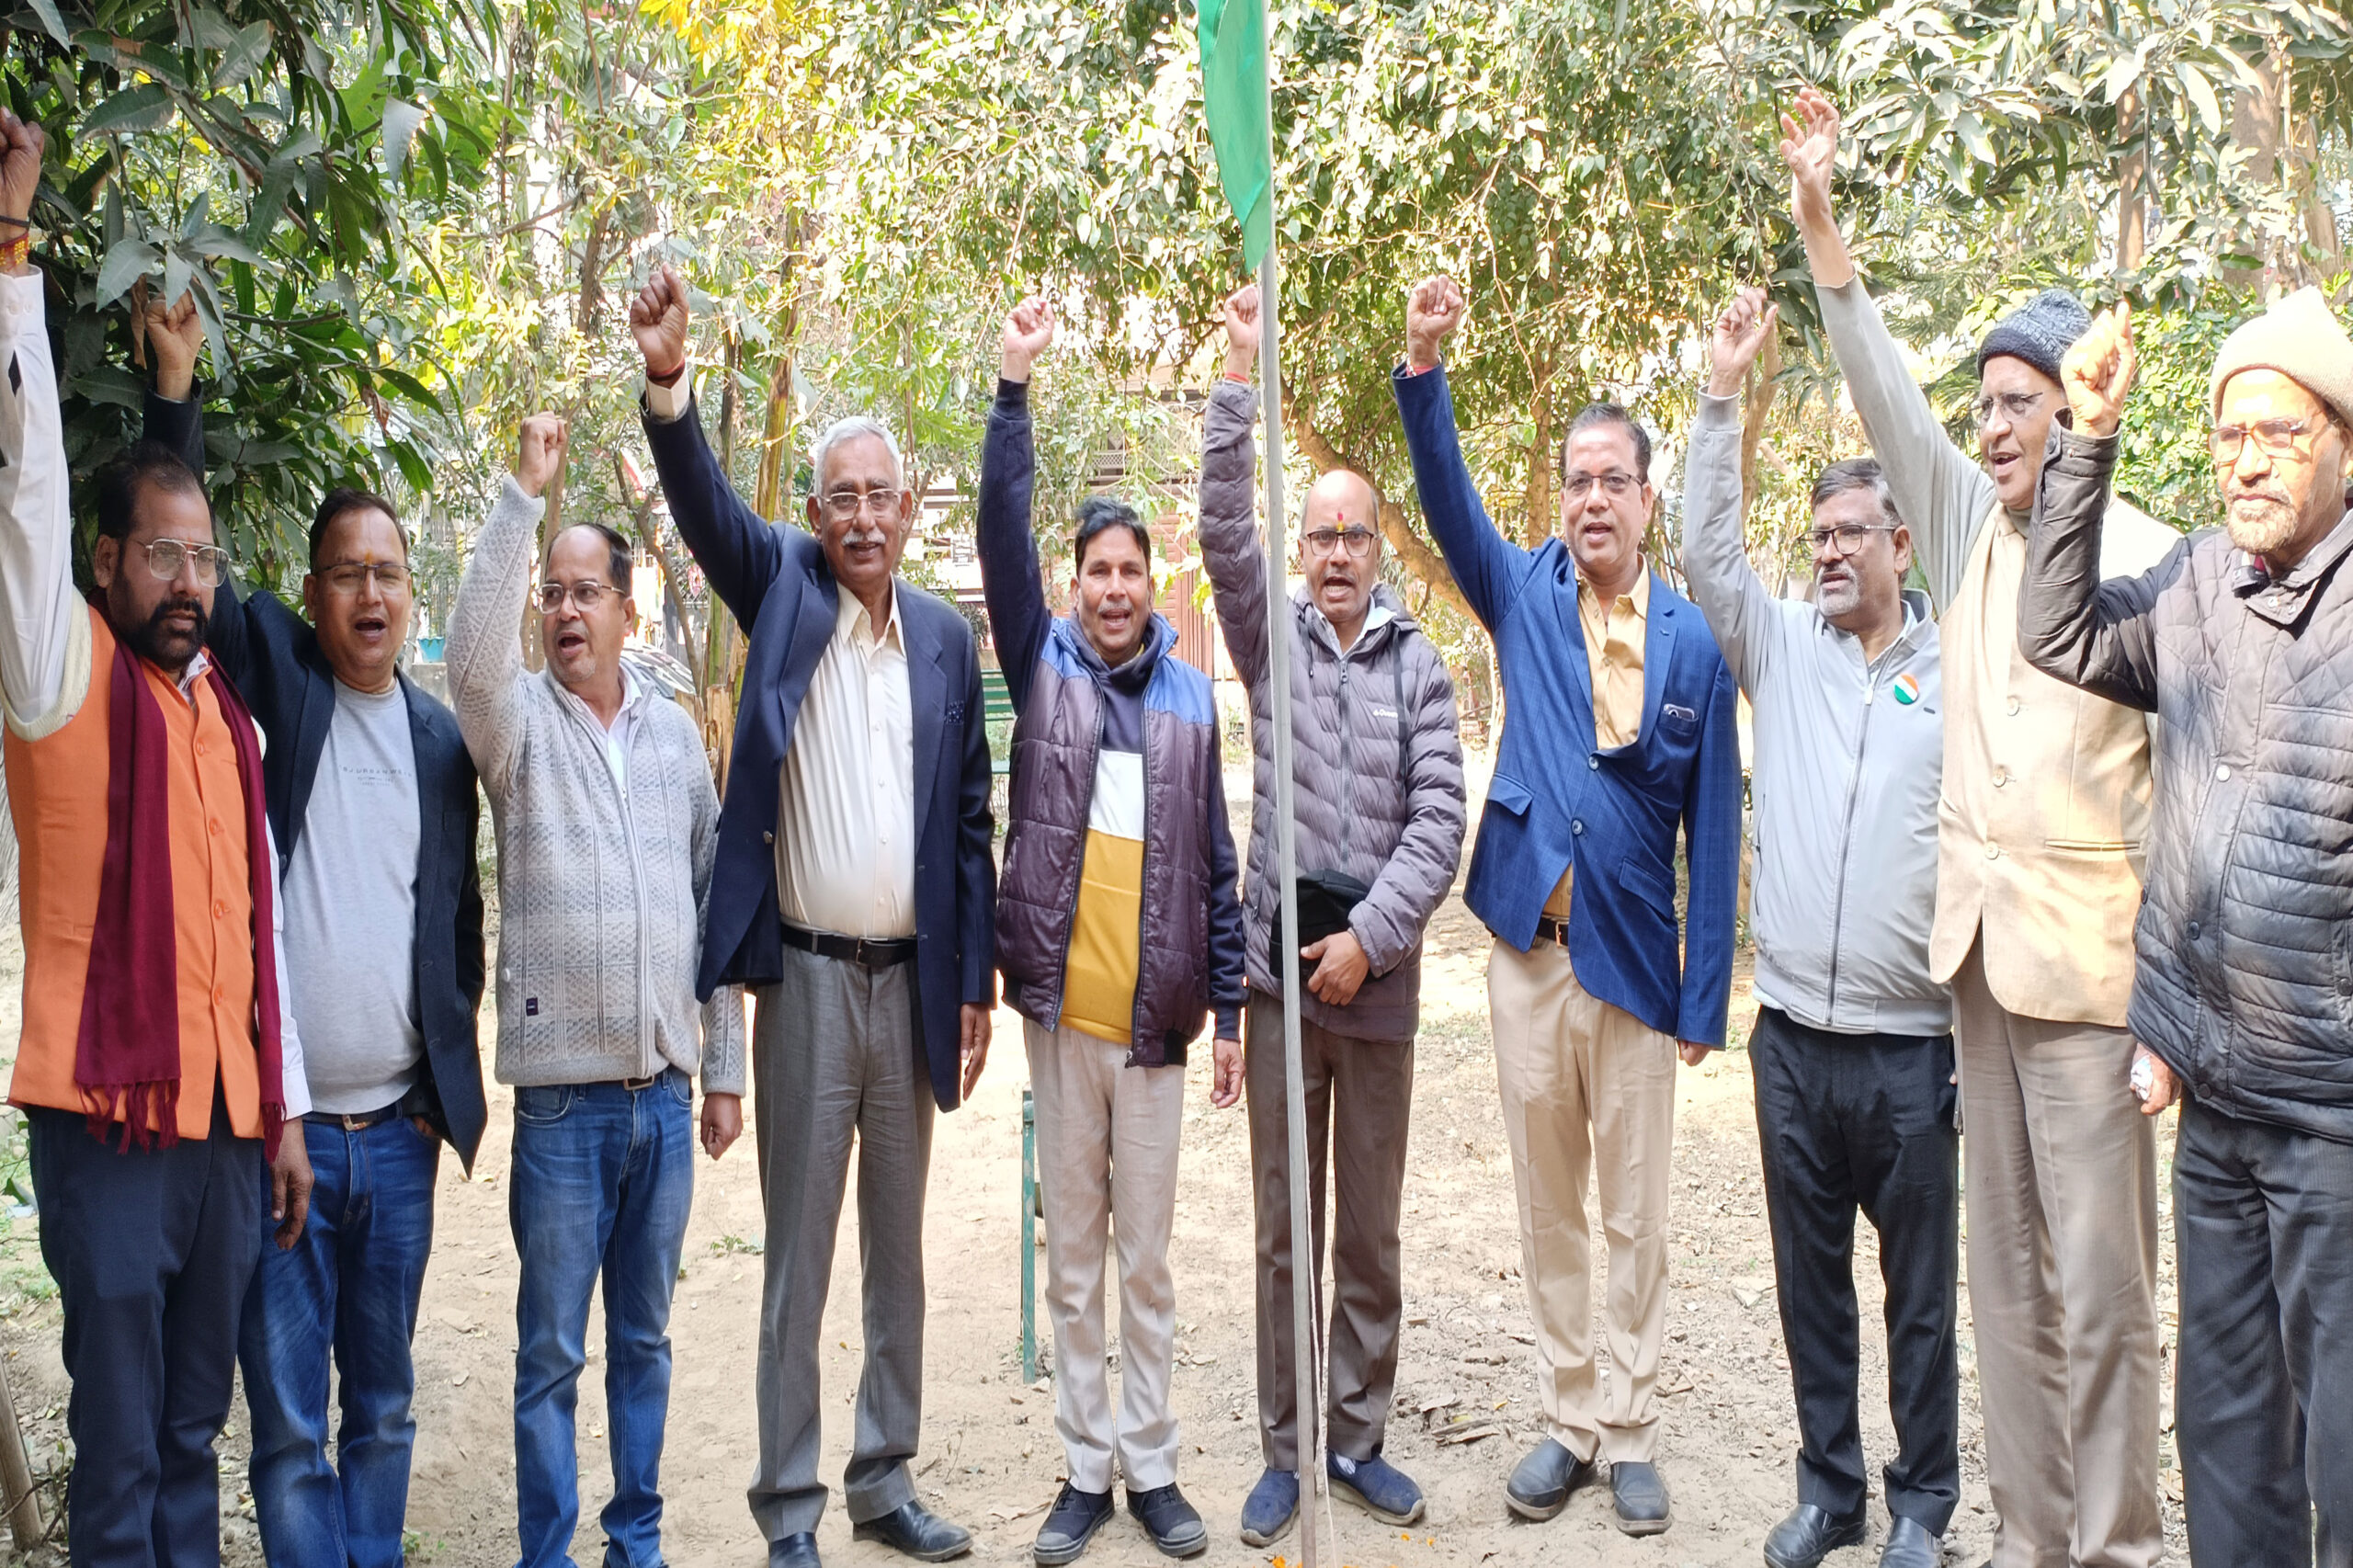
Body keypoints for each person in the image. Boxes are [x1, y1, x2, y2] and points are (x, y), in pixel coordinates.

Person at [1779, 87, 2178, 1568]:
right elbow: (1880, 385)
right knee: (2005, 1284)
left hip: (2092, 983)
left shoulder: (2149, 557)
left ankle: (2115, 1544)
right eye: (1989, 405)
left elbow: (2182, 794)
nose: (1995, 425)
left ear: (2081, 407)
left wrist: (2170, 1008)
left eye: (2023, 401)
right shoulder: (1960, 529)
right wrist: (1822, 223)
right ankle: (2029, 1536)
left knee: (2103, 1289)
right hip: (1977, 975)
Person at [628, 266, 995, 1568]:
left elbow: (969, 823)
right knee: (797, 1259)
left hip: (912, 982)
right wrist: (670, 384)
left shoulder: (944, 642)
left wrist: (973, 982)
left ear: (909, 509)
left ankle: (884, 1478)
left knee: (899, 1253)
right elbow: (703, 504)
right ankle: (789, 1507)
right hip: (805, 985)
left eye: (878, 495)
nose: (859, 515)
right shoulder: (781, 584)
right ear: (819, 514)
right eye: (838, 496)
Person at [0, 108, 315, 1568]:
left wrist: (282, 1113)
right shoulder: (61, 678)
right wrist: (14, 250)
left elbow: (259, 934)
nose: (188, 580)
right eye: (160, 557)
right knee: (123, 1459)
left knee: (196, 1441)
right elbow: (29, 496)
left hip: (228, 1133)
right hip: (107, 1127)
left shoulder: (225, 719)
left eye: (205, 557)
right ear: (105, 566)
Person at [132, 298, 488, 1568]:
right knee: (288, 1430)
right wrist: (176, 388)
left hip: (395, 1136)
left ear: (409, 590)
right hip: (278, 1138)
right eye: (347, 572)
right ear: (314, 595)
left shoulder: (441, 741)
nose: (371, 591)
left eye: (388, 571)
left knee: (381, 1408)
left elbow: (458, 924)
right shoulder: (281, 684)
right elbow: (198, 586)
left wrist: (438, 1099)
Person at [1392, 275, 1741, 1537]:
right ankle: (1569, 1416)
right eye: (1576, 481)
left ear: (1646, 500)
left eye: (1613, 480)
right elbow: (1446, 498)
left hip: (1637, 963)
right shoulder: (1521, 594)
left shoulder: (1694, 643)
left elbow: (1717, 830)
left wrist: (1705, 995)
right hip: (1527, 957)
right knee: (1549, 1206)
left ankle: (1632, 1428)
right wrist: (1424, 366)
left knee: (1635, 1213)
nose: (1593, 498)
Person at [2019, 290, 2353, 1567]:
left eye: (2279, 432)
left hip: (2332, 1121)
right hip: (2214, 1106)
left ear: (2340, 443)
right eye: (2228, 436)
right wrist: (2087, 439)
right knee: (2225, 1437)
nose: (2247, 461)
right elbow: (2058, 631)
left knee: (2344, 1455)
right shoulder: (2199, 580)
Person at [1682, 288, 1956, 1568]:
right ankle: (1831, 1491)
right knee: (1811, 1285)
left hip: (1912, 1047)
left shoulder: (1953, 667)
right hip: (1791, 1035)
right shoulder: (1780, 646)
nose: (1831, 551)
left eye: (1852, 532)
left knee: (1920, 1297)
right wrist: (1719, 396)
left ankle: (1922, 1502)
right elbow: (1709, 556)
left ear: (1901, 540)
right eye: (1819, 535)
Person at [444, 413, 746, 1568]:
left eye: (587, 592)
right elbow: (469, 657)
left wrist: (722, 1069)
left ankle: (638, 1541)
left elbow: (714, 909)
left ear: (629, 610)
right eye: (552, 594)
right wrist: (522, 495)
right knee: (550, 1354)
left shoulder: (672, 741)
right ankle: (546, 1553)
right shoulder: (518, 725)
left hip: (662, 1100)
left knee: (645, 1341)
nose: (566, 610)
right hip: (564, 1108)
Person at [972, 297, 1247, 1565]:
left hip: (1155, 1032)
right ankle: (1086, 1468)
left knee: (1148, 1261)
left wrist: (1229, 1005)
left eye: (1133, 570)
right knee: (1073, 1259)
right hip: (1061, 1020)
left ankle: (1155, 1464)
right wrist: (1012, 390)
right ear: (1073, 585)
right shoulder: (1042, 665)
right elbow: (998, 533)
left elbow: (1218, 861)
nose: (1117, 588)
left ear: (1152, 581)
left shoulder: (1191, 698)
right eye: (1099, 571)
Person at [1201, 284, 1467, 1547]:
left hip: (1380, 986)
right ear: (1302, 549)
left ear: (1379, 548)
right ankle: (1284, 1448)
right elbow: (1221, 532)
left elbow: (1440, 817)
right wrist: (1238, 373)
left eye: (1358, 532)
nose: (1341, 550)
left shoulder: (1421, 667)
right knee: (1284, 1231)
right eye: (1322, 533)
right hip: (1279, 991)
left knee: (1366, 1230)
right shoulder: (1271, 641)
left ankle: (1355, 1438)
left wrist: (1373, 939)